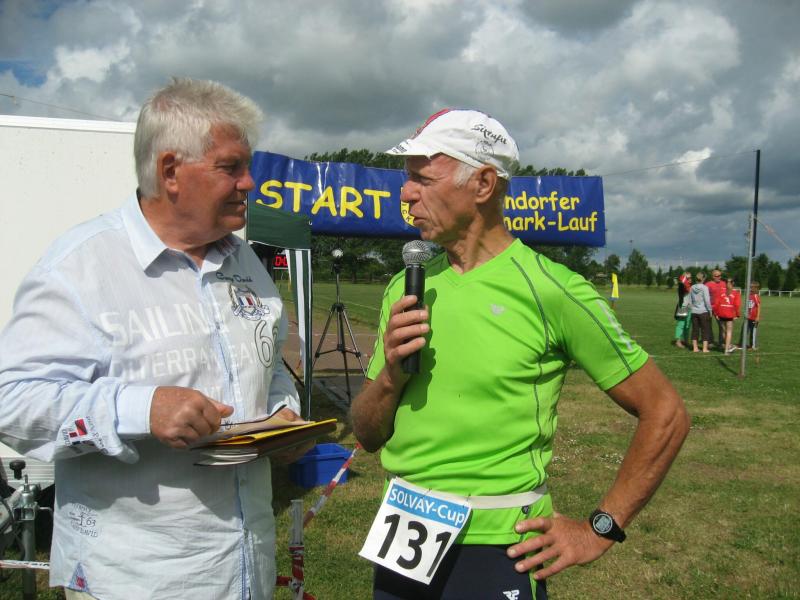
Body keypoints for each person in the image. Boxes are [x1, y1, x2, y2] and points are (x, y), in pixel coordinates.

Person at [350, 109, 690, 600]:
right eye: (408, 180)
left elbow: (665, 411)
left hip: (500, 546)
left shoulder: (552, 289)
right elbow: (366, 434)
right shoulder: (405, 287)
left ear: (484, 184)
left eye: (422, 179)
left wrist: (600, 527)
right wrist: (388, 378)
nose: (405, 194)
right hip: (402, 535)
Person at [0, 78, 306, 600]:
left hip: (245, 568)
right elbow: (13, 400)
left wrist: (282, 414)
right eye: (231, 167)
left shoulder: (245, 261)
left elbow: (268, 362)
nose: (250, 182)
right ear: (170, 171)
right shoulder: (81, 266)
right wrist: (143, 409)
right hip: (136, 578)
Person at [713, 278, 741, 354]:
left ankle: (725, 346)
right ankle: (726, 349)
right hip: (729, 314)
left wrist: (716, 313)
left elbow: (716, 303)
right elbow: (737, 305)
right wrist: (737, 314)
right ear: (733, 283)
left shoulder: (720, 291)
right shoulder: (736, 293)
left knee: (723, 331)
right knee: (729, 331)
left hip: (721, 313)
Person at [689, 272, 714, 353]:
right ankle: (704, 348)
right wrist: (710, 310)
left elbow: (690, 300)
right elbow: (707, 300)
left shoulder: (692, 287)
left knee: (695, 330)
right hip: (704, 311)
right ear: (703, 279)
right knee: (705, 330)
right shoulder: (705, 288)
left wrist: (692, 308)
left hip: (694, 311)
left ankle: (695, 348)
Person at [705, 269, 726, 348]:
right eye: (717, 276)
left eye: (720, 275)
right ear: (713, 276)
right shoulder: (707, 284)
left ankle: (722, 342)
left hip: (720, 308)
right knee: (708, 325)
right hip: (709, 308)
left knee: (722, 325)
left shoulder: (724, 283)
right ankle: (710, 341)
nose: (719, 277)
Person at [673, 271, 692, 348]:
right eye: (688, 278)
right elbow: (680, 283)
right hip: (683, 307)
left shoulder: (690, 286)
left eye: (691, 277)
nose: (690, 279)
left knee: (687, 325)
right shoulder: (682, 286)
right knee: (681, 324)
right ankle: (678, 341)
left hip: (690, 307)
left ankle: (686, 341)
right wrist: (683, 280)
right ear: (684, 278)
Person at [743, 281, 762, 349]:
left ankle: (753, 346)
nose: (750, 288)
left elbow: (759, 306)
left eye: (751, 287)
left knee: (753, 332)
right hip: (749, 317)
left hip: (754, 317)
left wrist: (757, 317)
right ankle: (745, 344)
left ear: (755, 288)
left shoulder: (755, 296)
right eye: (750, 287)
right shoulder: (749, 295)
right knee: (746, 331)